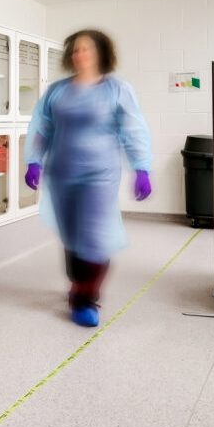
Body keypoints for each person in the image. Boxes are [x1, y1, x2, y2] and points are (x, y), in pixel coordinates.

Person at [24, 29, 152, 328]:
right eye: (75, 50)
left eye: (86, 49)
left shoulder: (117, 89)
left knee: (93, 237)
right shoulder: (57, 91)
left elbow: (134, 129)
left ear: (101, 54)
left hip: (99, 173)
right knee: (71, 237)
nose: (79, 55)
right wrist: (33, 159)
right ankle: (77, 284)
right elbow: (42, 127)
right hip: (61, 174)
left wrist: (142, 167)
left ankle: (85, 298)